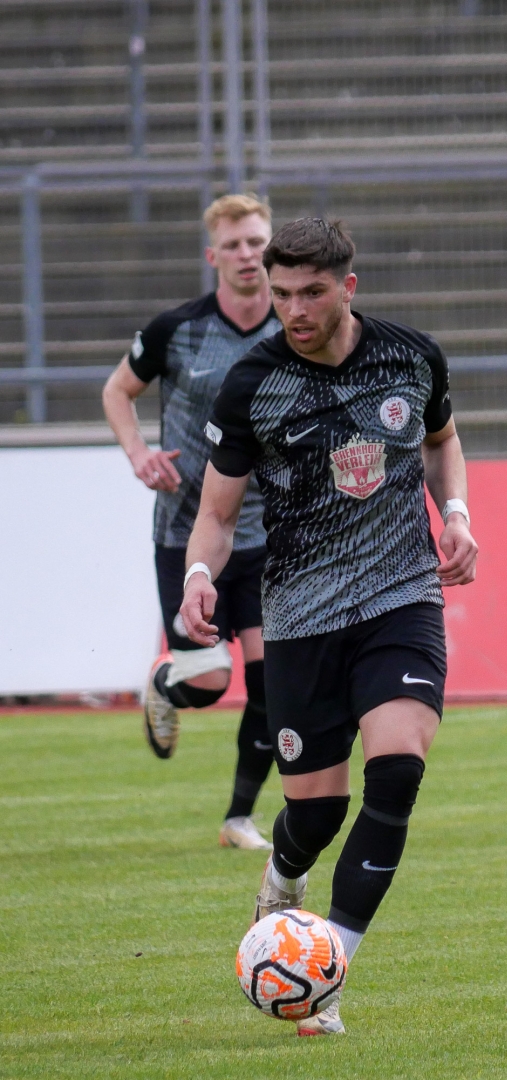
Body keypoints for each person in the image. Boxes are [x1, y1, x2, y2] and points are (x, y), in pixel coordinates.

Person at [180, 217, 478, 1035]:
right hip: (301, 615)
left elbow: (442, 441)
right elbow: (216, 514)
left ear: (347, 287)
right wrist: (199, 577)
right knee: (313, 817)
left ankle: (327, 973)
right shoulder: (252, 383)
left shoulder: (410, 356)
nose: (294, 310)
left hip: (400, 598)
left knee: (397, 772)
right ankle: (283, 875)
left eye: (311, 293)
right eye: (281, 295)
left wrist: (454, 512)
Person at [102, 194, 282, 851]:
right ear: (213, 256)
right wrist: (139, 455)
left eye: (256, 242)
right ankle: (165, 683)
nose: (247, 255)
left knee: (271, 683)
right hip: (187, 531)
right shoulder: (176, 329)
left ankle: (238, 819)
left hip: (266, 534)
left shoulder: (294, 328)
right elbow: (117, 390)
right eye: (233, 245)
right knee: (208, 682)